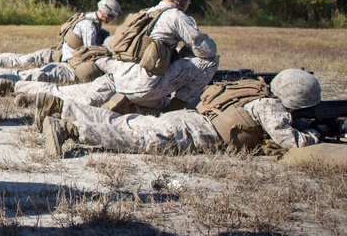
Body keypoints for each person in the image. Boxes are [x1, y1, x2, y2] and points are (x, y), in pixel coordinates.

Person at [14, 0, 219, 117]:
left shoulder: (146, 13)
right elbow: (207, 50)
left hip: (121, 74)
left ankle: (24, 87)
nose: (190, 2)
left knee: (80, 92)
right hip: (144, 85)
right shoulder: (177, 17)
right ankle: (175, 110)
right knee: (209, 61)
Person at [41, 69, 324, 158]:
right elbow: (291, 142)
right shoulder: (269, 106)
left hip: (192, 119)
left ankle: (64, 107)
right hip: (197, 133)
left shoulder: (254, 89)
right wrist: (316, 133)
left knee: (132, 123)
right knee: (136, 137)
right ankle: (71, 129)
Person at [0, 0, 121, 86]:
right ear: (104, 14)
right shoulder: (90, 26)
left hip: (57, 52)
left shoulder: (86, 17)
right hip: (67, 60)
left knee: (24, 59)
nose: (111, 20)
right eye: (111, 17)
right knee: (34, 74)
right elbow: (89, 51)